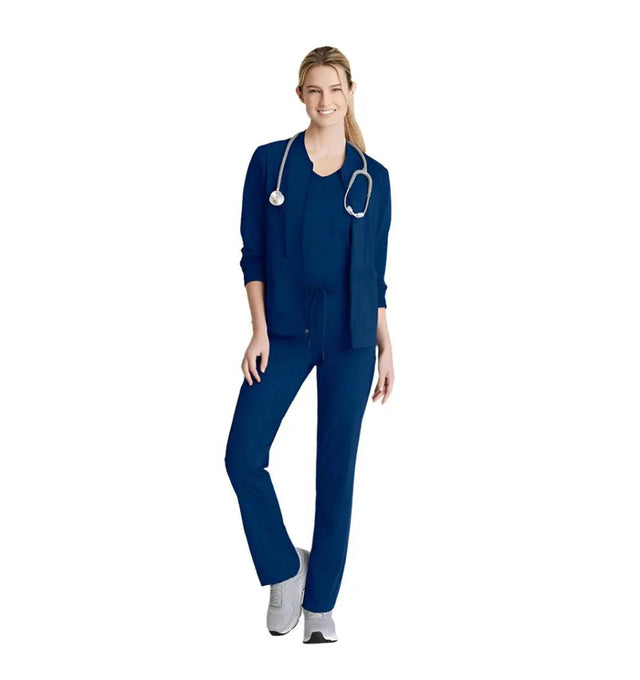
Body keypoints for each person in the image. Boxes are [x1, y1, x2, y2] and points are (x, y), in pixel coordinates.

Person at [224, 46, 394, 644]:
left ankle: (321, 606)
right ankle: (283, 567)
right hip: (286, 329)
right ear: (301, 95)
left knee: (336, 471)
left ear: (350, 93)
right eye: (315, 90)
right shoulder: (270, 164)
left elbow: (374, 273)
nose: (326, 101)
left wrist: (386, 345)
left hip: (351, 336)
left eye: (336, 89)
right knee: (242, 455)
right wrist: (258, 329)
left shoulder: (373, 178)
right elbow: (254, 254)